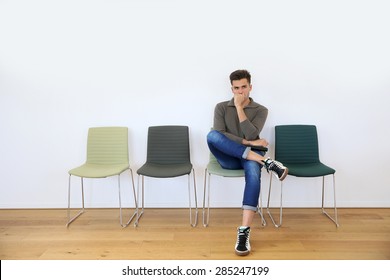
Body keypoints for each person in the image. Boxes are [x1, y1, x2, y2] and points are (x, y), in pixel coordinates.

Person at [207, 69, 288, 256]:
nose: (240, 92)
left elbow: (252, 132)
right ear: (232, 89)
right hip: (229, 158)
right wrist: (250, 143)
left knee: (253, 175)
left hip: (250, 157)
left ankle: (244, 232)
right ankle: (267, 162)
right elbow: (220, 135)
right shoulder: (220, 107)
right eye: (236, 88)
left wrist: (239, 108)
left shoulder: (261, 110)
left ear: (250, 87)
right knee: (211, 134)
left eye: (244, 87)